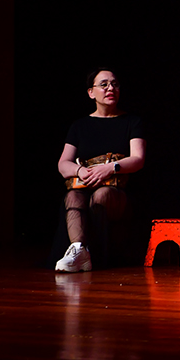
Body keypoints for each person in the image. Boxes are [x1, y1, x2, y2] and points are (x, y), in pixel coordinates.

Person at [55, 68, 146, 272]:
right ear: (91, 92)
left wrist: (111, 168)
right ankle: (79, 250)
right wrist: (80, 171)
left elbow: (138, 159)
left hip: (119, 190)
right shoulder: (79, 126)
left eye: (115, 84)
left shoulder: (132, 122)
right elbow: (63, 164)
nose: (110, 88)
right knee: (73, 196)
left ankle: (100, 252)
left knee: (101, 195)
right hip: (86, 186)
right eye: (104, 84)